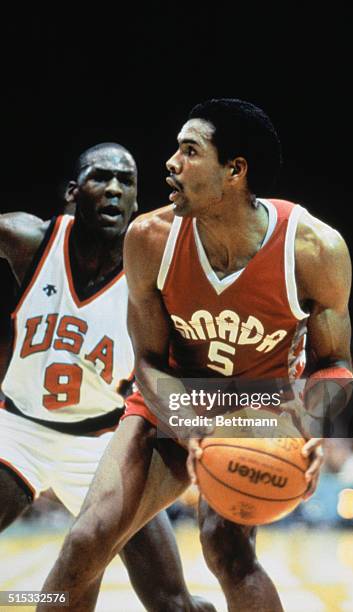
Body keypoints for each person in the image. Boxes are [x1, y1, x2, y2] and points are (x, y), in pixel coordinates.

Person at [39, 99, 353, 612]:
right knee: (88, 539)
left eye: (190, 151)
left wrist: (308, 425)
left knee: (227, 552)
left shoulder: (314, 249)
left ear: (235, 170)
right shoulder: (149, 238)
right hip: (172, 394)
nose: (170, 163)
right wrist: (189, 424)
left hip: (260, 405)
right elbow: (148, 361)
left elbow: (334, 364)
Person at [0, 142, 215, 612]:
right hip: (16, 431)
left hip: (101, 445)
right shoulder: (29, 239)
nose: (115, 190)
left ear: (137, 202)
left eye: (126, 182)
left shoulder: (155, 277)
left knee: (172, 603)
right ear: (73, 192)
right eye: (101, 178)